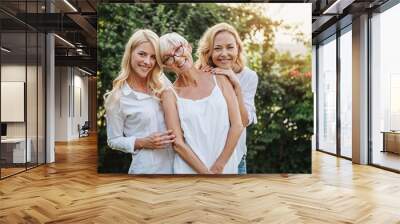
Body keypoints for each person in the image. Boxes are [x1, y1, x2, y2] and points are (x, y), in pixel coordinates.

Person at [159, 32, 243, 174]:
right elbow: (178, 144)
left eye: (179, 50)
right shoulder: (169, 94)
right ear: (165, 65)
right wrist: (206, 174)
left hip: (225, 169)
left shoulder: (219, 78)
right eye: (168, 58)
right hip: (190, 173)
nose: (178, 59)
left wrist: (219, 166)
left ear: (189, 47)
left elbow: (237, 125)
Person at [104, 29, 175, 174]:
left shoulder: (162, 82)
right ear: (130, 53)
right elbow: (113, 140)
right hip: (147, 171)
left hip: (178, 166)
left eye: (153, 57)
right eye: (142, 54)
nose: (147, 62)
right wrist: (143, 142)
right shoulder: (118, 97)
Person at [196, 23, 259, 174]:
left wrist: (236, 86)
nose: (224, 53)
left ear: (238, 48)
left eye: (230, 47)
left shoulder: (248, 77)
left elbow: (243, 121)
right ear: (209, 52)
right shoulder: (200, 74)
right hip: (203, 156)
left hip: (235, 157)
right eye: (217, 48)